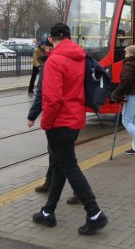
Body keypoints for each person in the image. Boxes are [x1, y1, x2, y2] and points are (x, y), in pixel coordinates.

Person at [32, 23, 108, 236]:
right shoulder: (81, 57)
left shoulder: (54, 61)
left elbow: (52, 99)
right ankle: (48, 212)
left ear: (51, 39)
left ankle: (94, 213)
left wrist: (45, 123)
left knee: (70, 167)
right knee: (59, 166)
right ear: (68, 37)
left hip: (59, 122)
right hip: (75, 118)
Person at [26, 40, 80, 204]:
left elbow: (44, 95)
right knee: (57, 157)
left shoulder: (51, 63)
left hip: (59, 120)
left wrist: (34, 117)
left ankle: (87, 202)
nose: (46, 50)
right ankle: (50, 197)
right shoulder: (76, 60)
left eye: (47, 47)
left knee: (65, 161)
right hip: (74, 117)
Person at [110, 44, 135, 156]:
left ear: (131, 54)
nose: (125, 54)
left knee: (126, 121)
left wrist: (116, 94)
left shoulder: (128, 64)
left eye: (126, 52)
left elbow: (125, 81)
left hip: (133, 95)